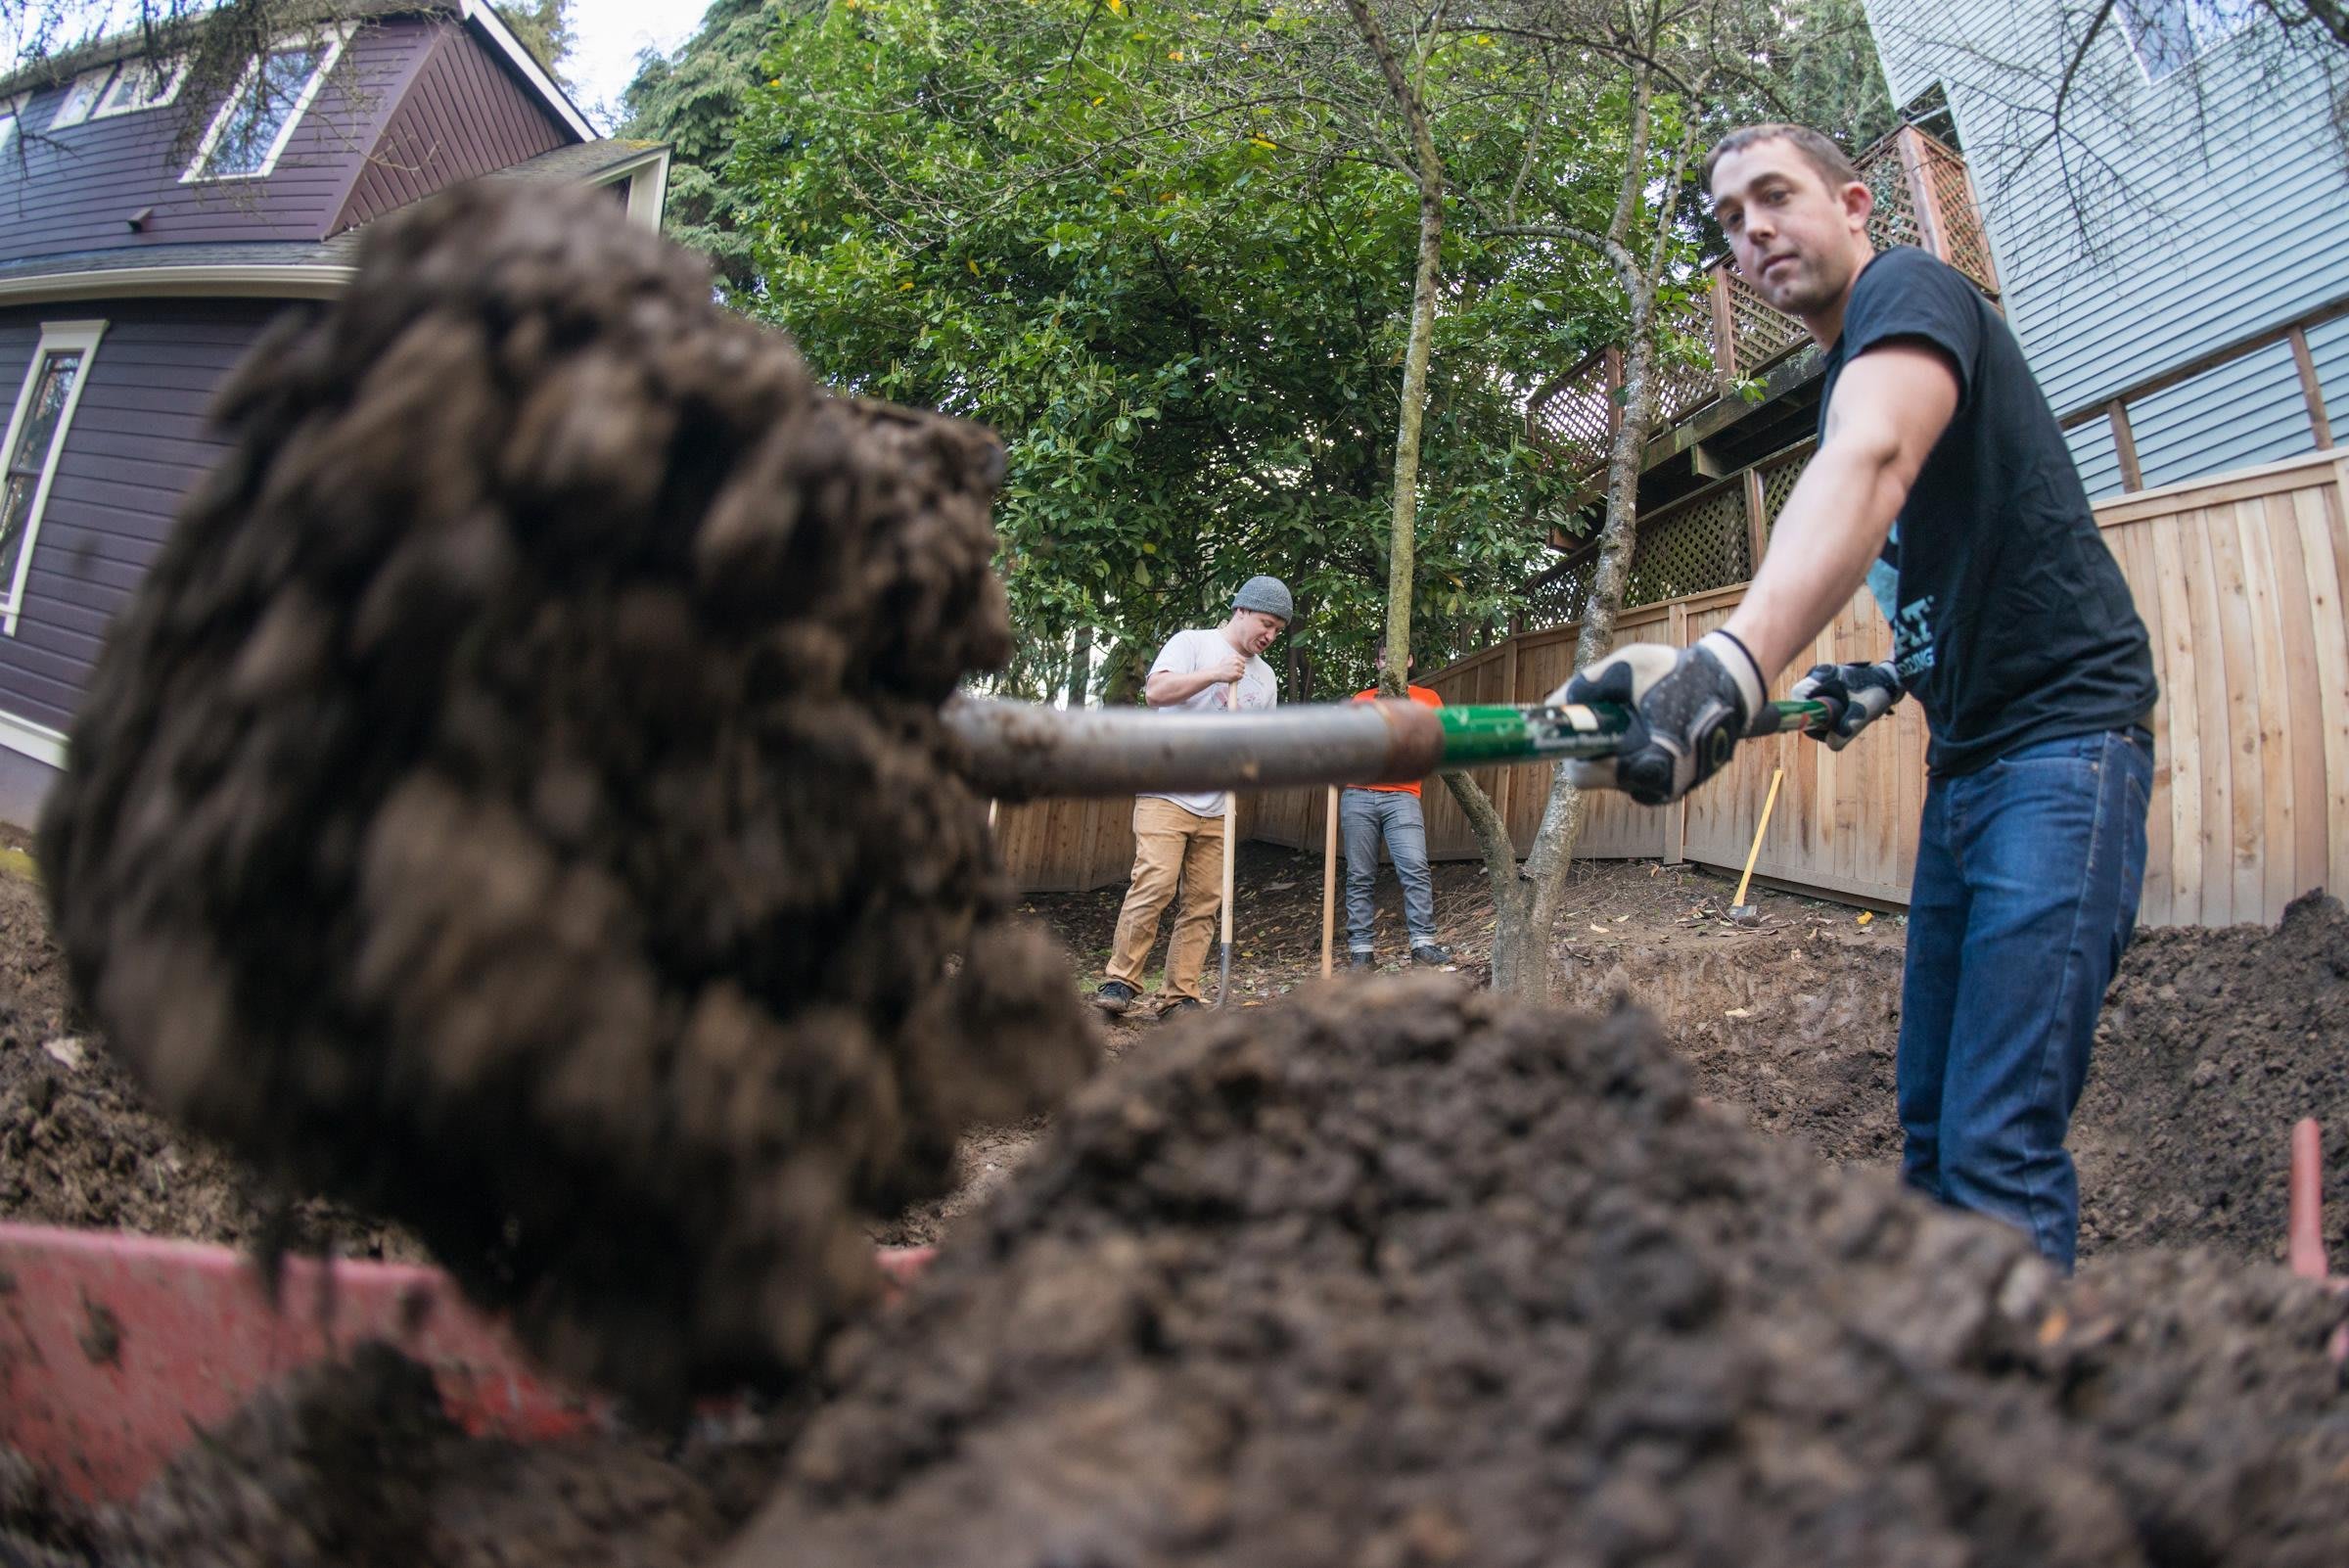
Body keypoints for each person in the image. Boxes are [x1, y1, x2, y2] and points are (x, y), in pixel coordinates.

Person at [1554, 123, 2156, 1270]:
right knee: (1931, 1130)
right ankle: (1939, 1354)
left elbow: (1873, 463)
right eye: (1730, 221)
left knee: (1995, 1146)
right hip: (1971, 767)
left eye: (1774, 196)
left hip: (2062, 754)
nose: (1753, 232)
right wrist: (1883, 676)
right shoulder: (1853, 376)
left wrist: (1732, 665)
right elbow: (1950, 570)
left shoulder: (1910, 290)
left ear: (1854, 203)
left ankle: (2024, 1382)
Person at [1093, 576, 1289, 1016]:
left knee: (1203, 903)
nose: (1271, 635)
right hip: (1167, 792)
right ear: (1241, 610)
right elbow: (1155, 693)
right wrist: (1216, 674)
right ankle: (1121, 981)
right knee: (1154, 885)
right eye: (1266, 623)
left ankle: (1179, 996)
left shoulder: (1266, 678)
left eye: (1278, 629)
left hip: (1220, 806)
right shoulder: (1193, 644)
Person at [1341, 649, 1451, 969]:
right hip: (1358, 795)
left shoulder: (1427, 698)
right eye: (1383, 657)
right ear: (1376, 663)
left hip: (1403, 796)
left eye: (1396, 655)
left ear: (1409, 660)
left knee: (1414, 867)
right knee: (1359, 875)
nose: (1389, 662)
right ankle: (1361, 953)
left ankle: (1423, 946)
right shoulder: (1361, 699)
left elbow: (1439, 742)